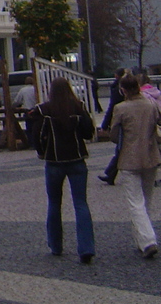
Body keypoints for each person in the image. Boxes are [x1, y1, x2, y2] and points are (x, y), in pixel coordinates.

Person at [28, 78, 95, 263]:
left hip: (54, 160)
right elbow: (88, 132)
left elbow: (37, 134)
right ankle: (86, 247)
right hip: (76, 159)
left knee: (54, 203)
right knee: (81, 204)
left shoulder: (45, 109)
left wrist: (42, 152)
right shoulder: (78, 107)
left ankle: (56, 245)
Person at [107, 73, 160, 259]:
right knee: (146, 199)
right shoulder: (151, 104)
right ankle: (141, 239)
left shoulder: (121, 108)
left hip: (129, 159)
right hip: (151, 156)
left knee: (135, 202)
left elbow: (114, 134)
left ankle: (148, 240)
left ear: (123, 89)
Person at [98, 68, 128, 185]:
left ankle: (110, 174)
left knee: (121, 149)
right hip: (131, 121)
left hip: (123, 122)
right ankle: (110, 174)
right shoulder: (124, 88)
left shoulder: (117, 90)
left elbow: (111, 108)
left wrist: (105, 125)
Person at [13, 76, 37, 150]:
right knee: (36, 128)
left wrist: (12, 106)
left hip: (27, 111)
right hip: (36, 110)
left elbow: (17, 101)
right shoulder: (35, 89)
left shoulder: (23, 90)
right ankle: (37, 143)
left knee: (29, 128)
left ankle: (31, 144)